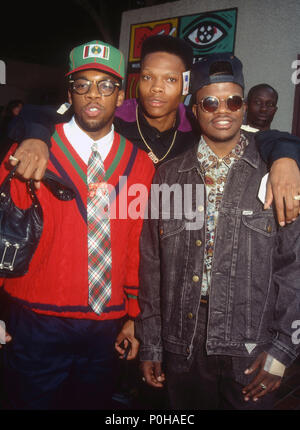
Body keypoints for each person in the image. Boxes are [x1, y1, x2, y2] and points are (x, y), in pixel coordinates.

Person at [136, 53, 300, 410]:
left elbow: (295, 268)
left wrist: (284, 349)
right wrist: (150, 342)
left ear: (243, 108)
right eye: (209, 102)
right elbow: (152, 264)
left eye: (233, 101)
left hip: (251, 348)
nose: (222, 109)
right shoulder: (169, 176)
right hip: (182, 343)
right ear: (195, 110)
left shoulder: (275, 174)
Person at [0, 40, 154, 410]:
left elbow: (135, 245)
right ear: (70, 92)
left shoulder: (140, 165)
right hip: (35, 320)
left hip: (105, 326)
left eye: (106, 85)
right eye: (82, 84)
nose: (93, 95)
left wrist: (134, 315)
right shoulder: (29, 151)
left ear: (121, 96)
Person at [6, 35, 300, 228]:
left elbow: (257, 134)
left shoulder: (197, 120)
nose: (157, 88)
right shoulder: (115, 114)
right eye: (147, 77)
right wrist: (36, 136)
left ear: (185, 86)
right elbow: (36, 114)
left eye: (170, 79)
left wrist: (285, 158)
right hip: (107, 241)